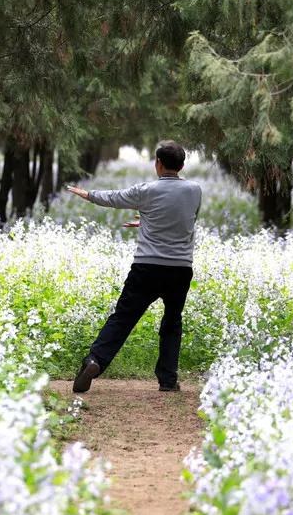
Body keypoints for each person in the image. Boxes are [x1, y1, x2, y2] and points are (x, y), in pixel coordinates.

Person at [66, 140, 202, 393]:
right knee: (172, 322)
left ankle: (95, 360)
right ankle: (168, 380)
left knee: (123, 318)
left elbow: (114, 198)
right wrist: (147, 222)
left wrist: (88, 195)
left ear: (157, 164)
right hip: (180, 269)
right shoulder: (194, 191)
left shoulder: (146, 191)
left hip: (147, 267)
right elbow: (185, 220)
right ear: (182, 165)